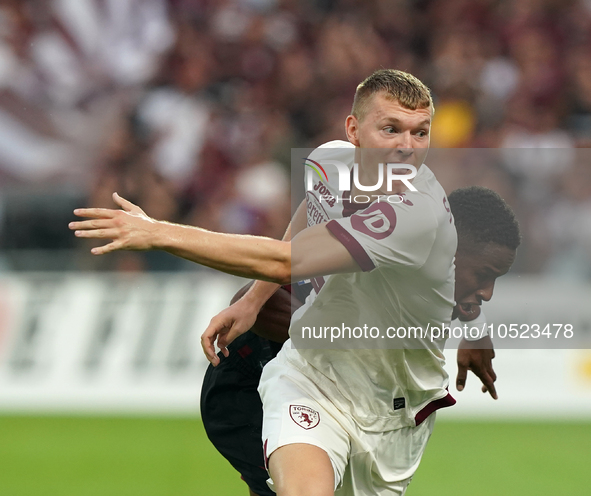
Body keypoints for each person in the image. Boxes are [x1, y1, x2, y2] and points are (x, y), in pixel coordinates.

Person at [68, 70, 518, 495]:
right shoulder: (329, 161)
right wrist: (253, 302)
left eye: (420, 132)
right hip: (312, 377)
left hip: (390, 415)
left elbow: (288, 261)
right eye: (391, 129)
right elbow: (312, 213)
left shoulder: (415, 215)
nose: (407, 146)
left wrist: (160, 232)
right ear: (353, 130)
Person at [200, 186, 521, 496]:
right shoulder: (386, 244)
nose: (487, 292)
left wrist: (475, 329)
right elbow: (255, 300)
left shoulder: (441, 264)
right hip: (250, 378)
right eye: (483, 275)